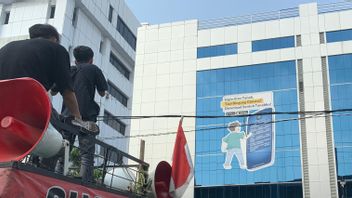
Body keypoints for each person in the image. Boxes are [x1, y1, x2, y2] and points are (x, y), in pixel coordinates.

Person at [0, 24, 81, 119]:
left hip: (3, 104)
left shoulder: (7, 47)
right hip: (28, 106)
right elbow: (67, 91)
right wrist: (78, 118)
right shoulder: (57, 49)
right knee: (55, 130)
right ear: (54, 39)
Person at [52, 45, 108, 183]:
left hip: (67, 116)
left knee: (64, 148)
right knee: (87, 152)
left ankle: (58, 176)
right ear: (91, 60)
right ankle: (85, 180)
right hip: (86, 117)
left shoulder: (69, 70)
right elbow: (102, 92)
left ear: (75, 60)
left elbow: (53, 91)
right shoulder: (94, 69)